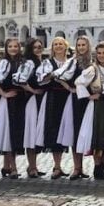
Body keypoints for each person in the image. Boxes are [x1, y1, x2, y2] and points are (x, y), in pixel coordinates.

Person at [54, 35, 94, 180]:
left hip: (90, 101)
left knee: (89, 133)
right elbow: (58, 76)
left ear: (88, 46)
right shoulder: (72, 62)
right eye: (79, 45)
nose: (81, 47)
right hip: (76, 101)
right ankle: (77, 168)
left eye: (84, 45)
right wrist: (70, 89)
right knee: (76, 132)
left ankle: (95, 167)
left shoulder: (92, 62)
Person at [0, 37, 26, 178]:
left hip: (21, 101)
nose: (13, 49)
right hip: (9, 102)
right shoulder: (3, 63)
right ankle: (13, 168)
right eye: (10, 46)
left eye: (16, 46)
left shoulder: (23, 62)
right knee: (10, 133)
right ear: (6, 48)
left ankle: (6, 166)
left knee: (15, 133)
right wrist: (3, 93)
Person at [76, 41, 104, 180]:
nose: (102, 55)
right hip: (97, 106)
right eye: (99, 53)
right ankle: (98, 168)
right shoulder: (93, 69)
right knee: (97, 135)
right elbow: (79, 82)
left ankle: (102, 166)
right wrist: (89, 96)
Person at [39, 36, 72, 179]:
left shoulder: (71, 62)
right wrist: (51, 75)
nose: (58, 46)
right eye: (55, 44)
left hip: (68, 97)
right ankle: (57, 166)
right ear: (52, 48)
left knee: (68, 128)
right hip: (53, 97)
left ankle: (77, 167)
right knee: (54, 129)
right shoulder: (48, 62)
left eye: (60, 44)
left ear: (65, 46)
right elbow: (40, 80)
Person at [20, 38, 47, 178]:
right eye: (35, 47)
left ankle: (33, 165)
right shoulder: (30, 62)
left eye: (40, 46)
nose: (38, 49)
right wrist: (33, 91)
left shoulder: (40, 61)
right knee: (31, 133)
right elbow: (21, 80)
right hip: (32, 101)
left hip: (40, 100)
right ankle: (32, 167)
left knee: (36, 133)